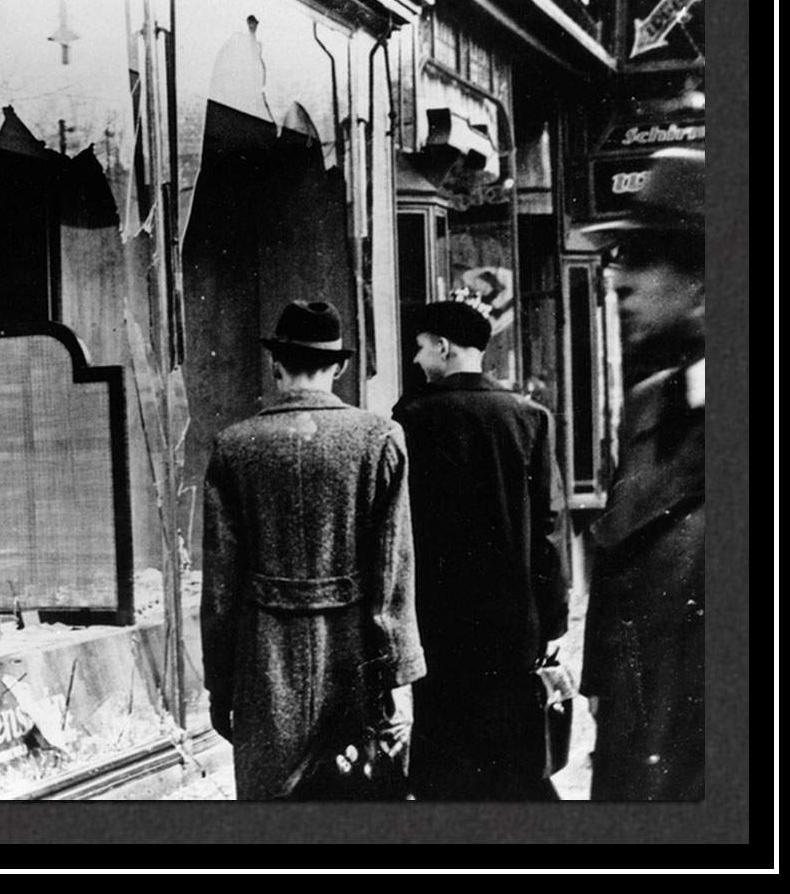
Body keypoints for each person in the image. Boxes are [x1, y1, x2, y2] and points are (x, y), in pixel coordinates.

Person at [201, 299, 427, 800]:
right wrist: (396, 670)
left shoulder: (234, 445)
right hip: (354, 657)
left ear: (275, 364)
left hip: (264, 661)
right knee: (357, 800)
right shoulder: (379, 439)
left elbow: (220, 586)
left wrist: (219, 682)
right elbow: (394, 567)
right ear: (340, 367)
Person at [392, 300, 569, 800]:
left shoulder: (412, 417)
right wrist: (551, 619)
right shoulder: (529, 417)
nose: (418, 360)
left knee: (445, 756)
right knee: (513, 758)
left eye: (422, 348)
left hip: (438, 619)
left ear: (443, 347)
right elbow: (549, 528)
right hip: (513, 621)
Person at [579, 146, 705, 801]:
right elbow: (616, 554)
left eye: (643, 258)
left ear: (703, 282)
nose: (620, 282)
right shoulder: (647, 406)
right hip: (636, 762)